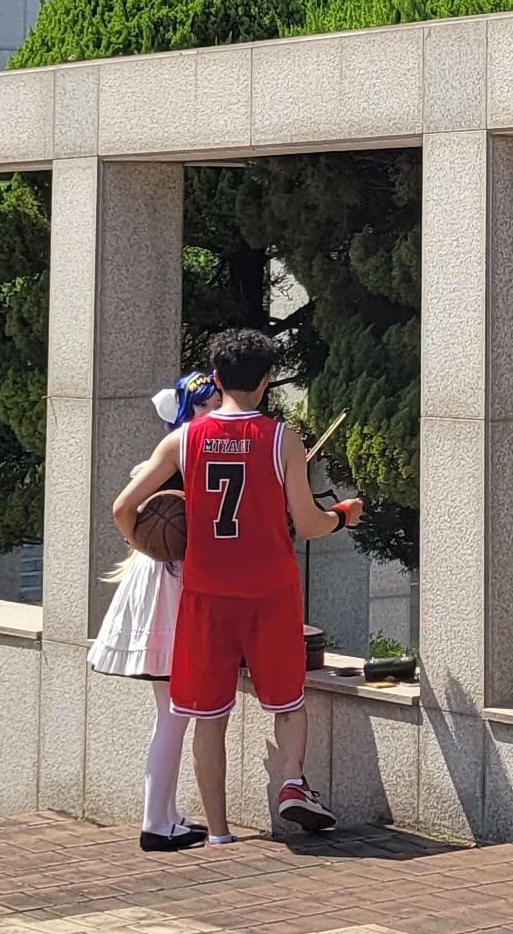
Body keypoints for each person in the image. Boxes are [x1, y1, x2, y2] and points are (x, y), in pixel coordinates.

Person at [109, 326, 361, 843]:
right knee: (287, 702)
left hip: (207, 595)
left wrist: (153, 545)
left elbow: (122, 507)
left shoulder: (182, 439)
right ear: (267, 380)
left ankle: (220, 834)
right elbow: (308, 524)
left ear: (216, 378)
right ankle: (291, 781)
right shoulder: (282, 439)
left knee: (208, 717)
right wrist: (341, 515)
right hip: (270, 592)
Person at [89, 367, 217, 849]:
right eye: (203, 403)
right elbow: (123, 508)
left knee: (172, 712)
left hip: (170, 580)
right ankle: (155, 825)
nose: (212, 409)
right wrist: (148, 544)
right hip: (171, 583)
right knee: (174, 713)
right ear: (186, 409)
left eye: (215, 401)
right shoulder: (181, 447)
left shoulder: (186, 448)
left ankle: (166, 815)